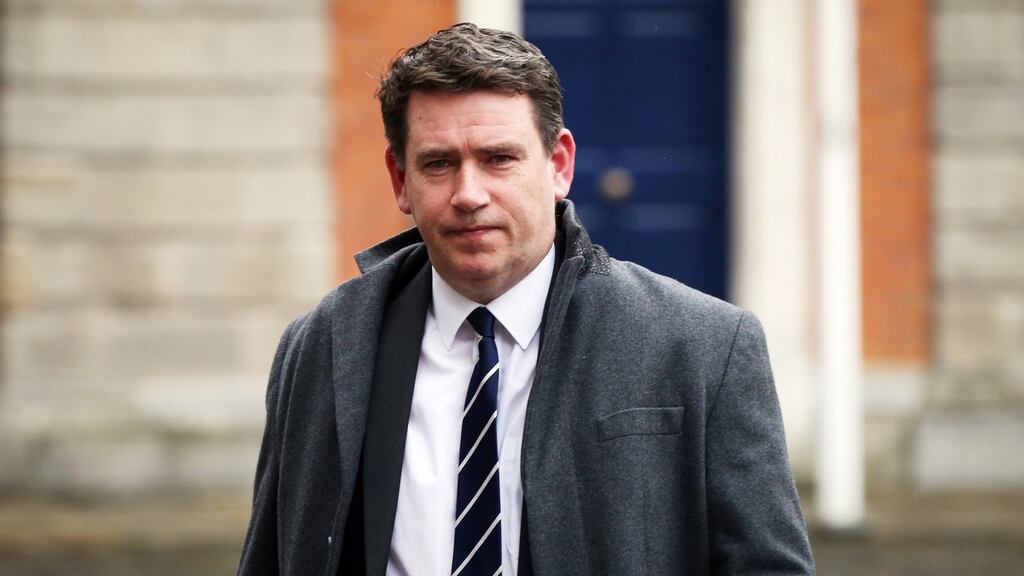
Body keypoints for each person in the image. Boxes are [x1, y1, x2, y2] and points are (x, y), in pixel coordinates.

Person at [237, 22, 814, 576]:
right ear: (399, 180)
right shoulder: (322, 346)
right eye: (439, 164)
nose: (469, 194)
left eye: (498, 159)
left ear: (559, 164)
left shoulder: (704, 347)